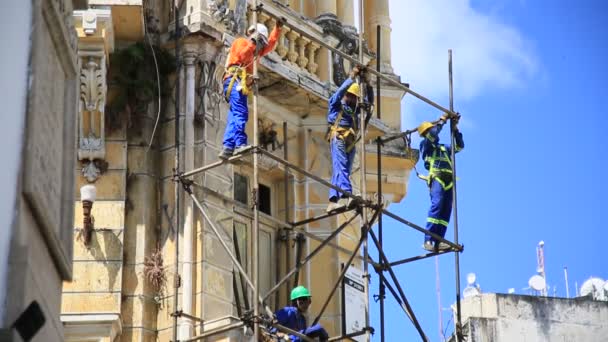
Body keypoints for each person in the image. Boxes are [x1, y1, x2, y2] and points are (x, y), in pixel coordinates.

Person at [219, 19, 285, 159]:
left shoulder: (257, 52)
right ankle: (240, 144)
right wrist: (253, 43)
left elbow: (271, 44)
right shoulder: (241, 42)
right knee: (240, 113)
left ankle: (228, 147)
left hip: (239, 83)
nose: (261, 47)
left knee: (234, 115)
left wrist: (277, 29)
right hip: (234, 80)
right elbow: (243, 56)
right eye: (260, 41)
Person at [325, 66, 372, 213]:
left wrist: (368, 84)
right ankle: (348, 193)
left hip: (350, 143)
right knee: (341, 167)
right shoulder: (336, 104)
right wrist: (352, 76)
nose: (350, 99)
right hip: (338, 137)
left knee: (342, 169)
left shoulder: (356, 111)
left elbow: (369, 106)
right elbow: (339, 93)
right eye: (349, 95)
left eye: (354, 97)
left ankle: (333, 201)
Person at [418, 113, 464, 251]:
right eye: (431, 131)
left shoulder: (444, 148)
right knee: (437, 206)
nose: (435, 133)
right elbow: (432, 134)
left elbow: (460, 146)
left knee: (445, 211)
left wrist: (455, 128)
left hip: (449, 180)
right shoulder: (426, 145)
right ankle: (428, 240)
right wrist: (442, 121)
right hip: (437, 178)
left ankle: (438, 240)